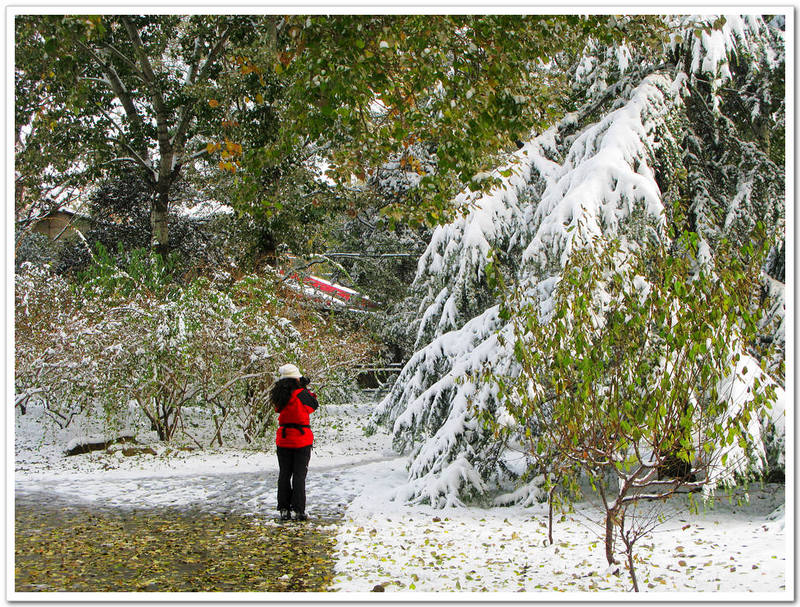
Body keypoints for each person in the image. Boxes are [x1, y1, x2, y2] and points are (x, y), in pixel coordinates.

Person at [270, 363, 318, 521]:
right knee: (299, 475)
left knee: (284, 474)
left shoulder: (279, 394)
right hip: (301, 439)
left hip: (283, 439)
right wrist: (305, 388)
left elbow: (278, 409)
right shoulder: (301, 393)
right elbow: (313, 405)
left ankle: (284, 508)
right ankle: (299, 510)